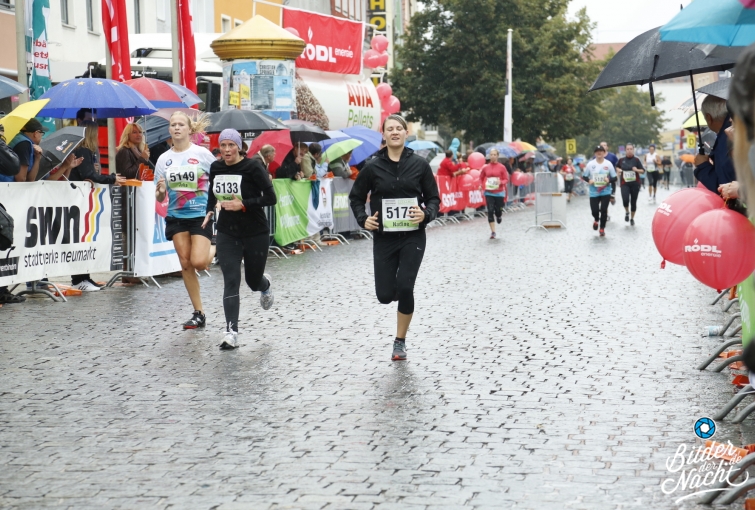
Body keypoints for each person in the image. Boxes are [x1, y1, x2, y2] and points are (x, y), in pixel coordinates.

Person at [349, 114, 440, 361]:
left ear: (406, 133)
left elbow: (434, 199)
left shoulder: (419, 165)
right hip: (385, 238)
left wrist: (425, 214)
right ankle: (399, 292)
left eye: (399, 128)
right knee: (384, 295)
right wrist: (363, 219)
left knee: (406, 287)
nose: (395, 132)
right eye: (390, 129)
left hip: (413, 236)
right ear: (384, 134)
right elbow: (356, 197)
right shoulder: (372, 166)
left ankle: (400, 342)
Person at [202, 129, 277, 350]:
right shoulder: (216, 167)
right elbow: (212, 192)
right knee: (231, 280)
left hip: (255, 231)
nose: (227, 150)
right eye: (223, 145)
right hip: (228, 232)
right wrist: (209, 210)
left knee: (253, 282)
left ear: (239, 147)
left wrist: (243, 204)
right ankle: (231, 332)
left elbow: (270, 198)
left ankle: (265, 285)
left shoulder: (253, 167)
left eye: (231, 145)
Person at [155, 111, 216, 329]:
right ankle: (199, 313)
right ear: (169, 130)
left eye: (181, 124)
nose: (177, 128)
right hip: (177, 216)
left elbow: (217, 178)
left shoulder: (202, 154)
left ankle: (215, 245)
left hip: (200, 215)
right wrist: (161, 191)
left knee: (199, 262)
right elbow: (159, 196)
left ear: (190, 129)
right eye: (173, 125)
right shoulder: (164, 159)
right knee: (186, 263)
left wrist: (217, 202)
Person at [69, 121, 127, 291]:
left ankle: (85, 278)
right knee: (82, 240)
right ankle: (79, 279)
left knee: (85, 240)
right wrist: (112, 178)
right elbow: (88, 175)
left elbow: (89, 174)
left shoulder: (85, 151)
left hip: (81, 199)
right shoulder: (83, 151)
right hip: (79, 200)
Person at [695, 95, 736, 193]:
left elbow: (725, 186)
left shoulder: (727, 138)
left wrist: (703, 166)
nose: (730, 120)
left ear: (709, 118)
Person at [582, 145, 617, 237]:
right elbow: (584, 176)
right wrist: (589, 180)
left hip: (606, 191)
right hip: (594, 192)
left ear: (604, 153)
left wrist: (609, 180)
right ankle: (596, 219)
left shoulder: (608, 164)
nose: (599, 153)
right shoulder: (590, 164)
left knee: (604, 210)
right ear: (595, 153)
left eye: (601, 151)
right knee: (595, 211)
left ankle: (602, 228)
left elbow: (615, 178)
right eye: (597, 151)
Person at [479, 148, 509, 239]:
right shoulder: (486, 167)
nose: (492, 156)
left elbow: (506, 179)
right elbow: (481, 177)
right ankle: (493, 232)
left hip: (499, 192)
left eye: (494, 155)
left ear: (497, 156)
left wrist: (501, 182)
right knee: (490, 210)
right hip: (489, 192)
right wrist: (480, 185)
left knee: (498, 210)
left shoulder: (502, 167)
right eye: (491, 155)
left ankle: (499, 216)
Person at [615, 143, 645, 226]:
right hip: (624, 183)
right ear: (625, 150)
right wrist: (618, 170)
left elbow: (643, 170)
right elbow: (617, 167)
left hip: (635, 184)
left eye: (631, 149)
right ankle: (627, 212)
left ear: (633, 150)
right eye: (627, 149)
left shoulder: (636, 160)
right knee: (625, 200)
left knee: (633, 202)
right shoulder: (621, 160)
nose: (629, 150)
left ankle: (632, 218)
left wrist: (636, 170)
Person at [8, 118, 45, 183]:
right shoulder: (24, 144)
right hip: (8, 186)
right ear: (36, 133)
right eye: (42, 133)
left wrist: (37, 158)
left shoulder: (16, 138)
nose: (41, 136)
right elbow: (21, 179)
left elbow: (30, 179)